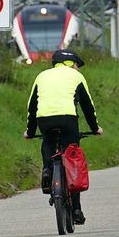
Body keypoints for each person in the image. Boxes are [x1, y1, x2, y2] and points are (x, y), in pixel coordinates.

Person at [24, 49, 103, 225]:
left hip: (44, 119)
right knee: (72, 157)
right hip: (68, 119)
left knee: (48, 142)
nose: (78, 69)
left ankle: (47, 170)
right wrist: (95, 128)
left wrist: (30, 132)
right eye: (77, 65)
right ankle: (76, 209)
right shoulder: (76, 77)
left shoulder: (41, 76)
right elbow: (88, 106)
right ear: (70, 64)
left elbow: (32, 106)